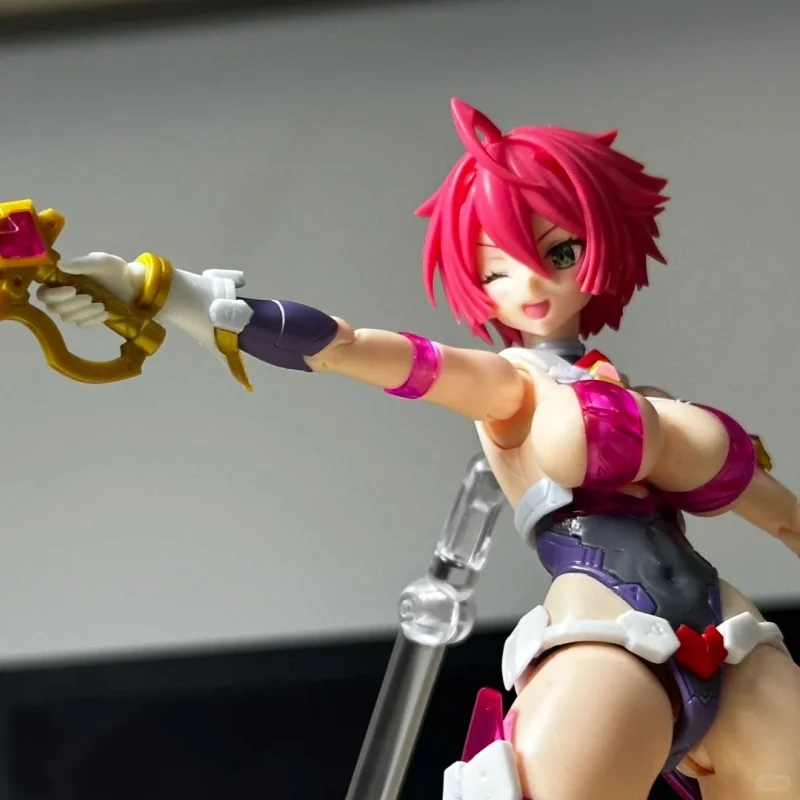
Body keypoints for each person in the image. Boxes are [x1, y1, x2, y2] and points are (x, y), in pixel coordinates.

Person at [40, 99, 800, 800]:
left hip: (730, 636)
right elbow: (353, 347)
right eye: (496, 267)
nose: (529, 281)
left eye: (558, 250)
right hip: (611, 640)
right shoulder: (512, 387)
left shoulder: (653, 398)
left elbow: (778, 512)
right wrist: (164, 293)